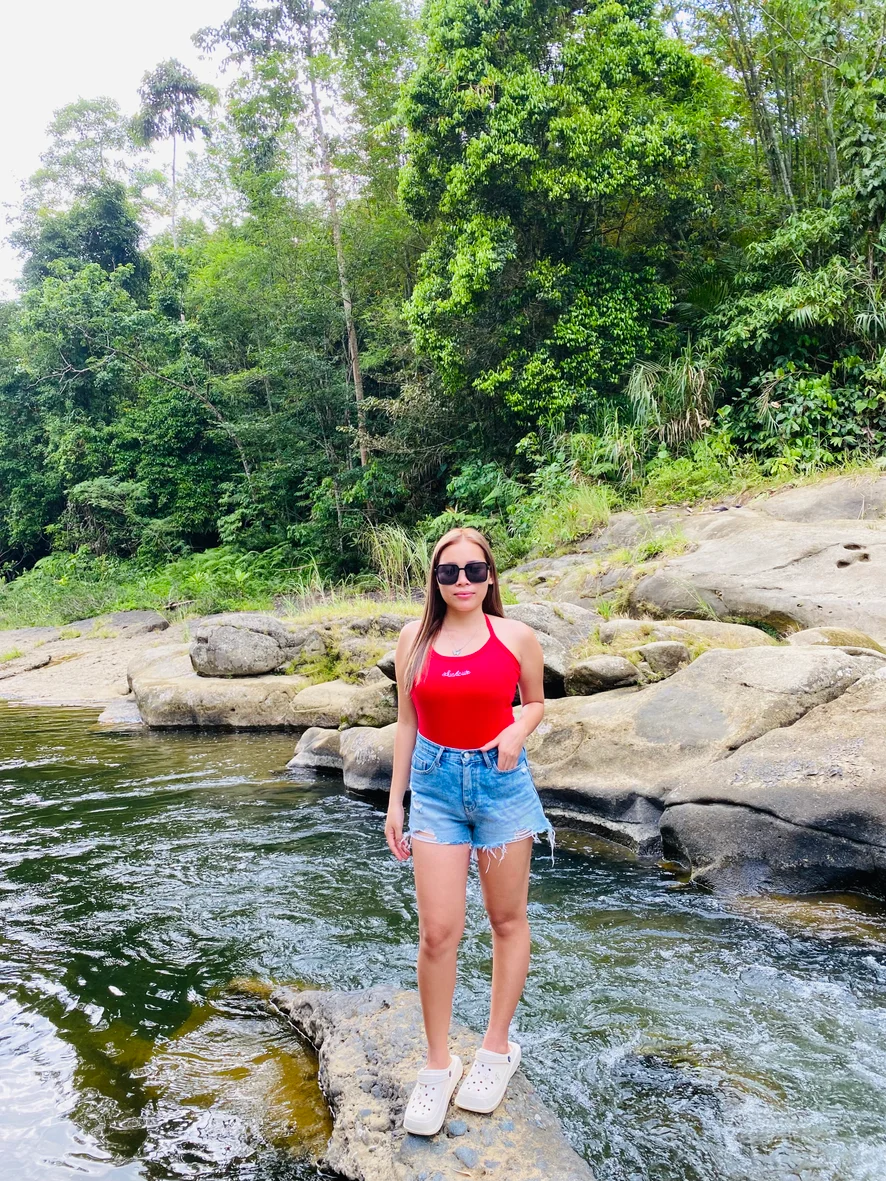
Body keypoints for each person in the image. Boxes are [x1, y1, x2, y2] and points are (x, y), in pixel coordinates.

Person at [385, 526, 554, 1137]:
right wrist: (395, 801)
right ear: (434, 579)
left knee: (506, 920)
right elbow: (407, 721)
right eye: (449, 571)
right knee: (437, 932)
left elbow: (535, 703)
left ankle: (496, 1049)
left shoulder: (516, 637)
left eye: (474, 570)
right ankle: (438, 1065)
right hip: (433, 787)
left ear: (490, 577)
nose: (462, 581)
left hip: (501, 786)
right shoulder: (414, 639)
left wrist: (516, 729)